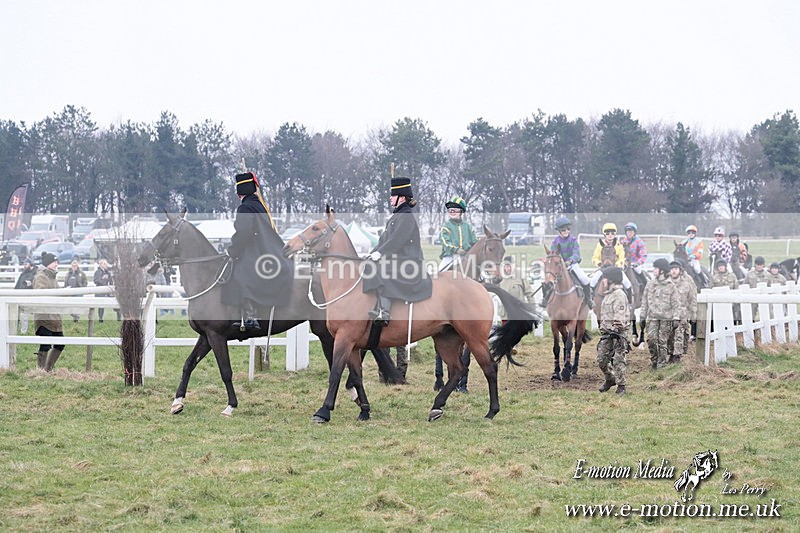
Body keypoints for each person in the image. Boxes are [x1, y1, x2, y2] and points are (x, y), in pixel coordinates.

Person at [222, 172, 293, 330]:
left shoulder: (245, 207)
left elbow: (244, 232)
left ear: (240, 192)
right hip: (269, 248)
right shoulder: (260, 205)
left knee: (240, 273)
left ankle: (250, 315)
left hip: (256, 249)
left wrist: (232, 250)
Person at [362, 176, 432, 326]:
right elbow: (384, 240)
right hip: (397, 257)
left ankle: (384, 311)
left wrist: (379, 254)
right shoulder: (397, 216)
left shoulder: (406, 216)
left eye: (393, 195)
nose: (390, 198)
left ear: (402, 198)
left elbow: (397, 240)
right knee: (368, 265)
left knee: (382, 269)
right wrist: (371, 253)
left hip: (408, 260)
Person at [542, 216, 593, 309]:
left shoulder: (573, 240)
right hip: (559, 266)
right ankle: (545, 299)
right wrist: (560, 262)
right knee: (548, 281)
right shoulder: (555, 242)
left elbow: (576, 254)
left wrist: (570, 260)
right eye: (563, 229)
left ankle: (589, 300)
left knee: (585, 279)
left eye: (568, 229)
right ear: (559, 231)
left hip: (572, 264)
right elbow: (554, 255)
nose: (566, 231)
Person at [596, 267, 630, 395]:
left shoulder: (619, 295)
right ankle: (610, 379)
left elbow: (619, 315)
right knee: (601, 360)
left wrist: (616, 329)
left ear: (611, 280)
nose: (603, 281)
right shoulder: (608, 295)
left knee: (618, 360)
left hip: (618, 334)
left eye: (604, 278)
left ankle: (621, 386)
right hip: (607, 334)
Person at [640, 258, 679, 370]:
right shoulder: (650, 284)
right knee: (651, 339)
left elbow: (676, 303)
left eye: (656, 268)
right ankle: (654, 361)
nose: (654, 270)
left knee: (662, 341)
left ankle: (661, 364)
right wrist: (642, 316)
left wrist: (676, 318)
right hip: (652, 317)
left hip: (666, 318)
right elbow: (645, 301)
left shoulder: (671, 286)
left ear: (662, 270)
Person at [33, 252, 65, 371]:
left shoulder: (53, 277)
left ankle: (48, 369)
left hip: (54, 316)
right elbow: (40, 293)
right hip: (44, 316)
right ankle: (41, 370)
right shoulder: (41, 277)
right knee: (45, 344)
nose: (57, 264)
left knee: (60, 344)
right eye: (54, 262)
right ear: (48, 263)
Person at [590, 222, 632, 301]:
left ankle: (629, 301)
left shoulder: (619, 244)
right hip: (603, 269)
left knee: (627, 283)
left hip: (615, 270)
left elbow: (622, 258)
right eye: (608, 233)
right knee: (593, 281)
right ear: (604, 234)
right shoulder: (599, 245)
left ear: (615, 234)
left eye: (612, 233)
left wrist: (617, 264)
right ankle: (590, 301)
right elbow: (595, 257)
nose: (610, 235)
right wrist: (599, 263)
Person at [438, 195, 478, 272]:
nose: (452, 212)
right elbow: (445, 243)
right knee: (438, 276)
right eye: (450, 210)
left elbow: (475, 242)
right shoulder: (445, 226)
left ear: (461, 212)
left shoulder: (468, 227)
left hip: (466, 257)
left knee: (481, 274)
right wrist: (456, 250)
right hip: (450, 258)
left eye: (455, 210)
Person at [669, 260, 697, 364]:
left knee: (679, 334)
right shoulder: (666, 283)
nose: (673, 271)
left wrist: (693, 313)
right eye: (672, 269)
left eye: (675, 269)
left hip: (682, 313)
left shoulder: (687, 283)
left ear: (680, 270)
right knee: (669, 335)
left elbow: (692, 298)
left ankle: (677, 355)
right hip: (668, 314)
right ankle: (671, 353)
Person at [619, 222, 648, 286]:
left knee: (638, 270)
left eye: (631, 232)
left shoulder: (639, 242)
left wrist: (638, 263)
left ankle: (646, 284)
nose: (629, 233)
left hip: (635, 263)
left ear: (634, 232)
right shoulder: (623, 242)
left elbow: (643, 255)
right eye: (628, 232)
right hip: (625, 263)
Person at [14, 258, 37, 333]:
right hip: (20, 296)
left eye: (26, 264)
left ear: (30, 264)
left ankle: (25, 331)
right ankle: (20, 330)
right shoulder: (23, 274)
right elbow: (18, 285)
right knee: (20, 315)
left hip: (29, 297)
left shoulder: (34, 273)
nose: (24, 266)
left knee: (25, 315)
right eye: (24, 264)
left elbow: (30, 284)